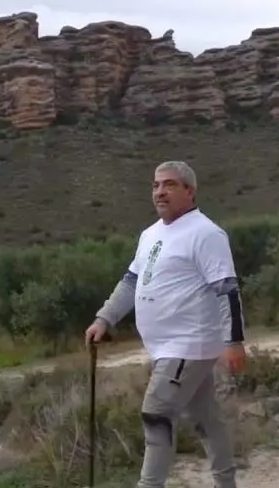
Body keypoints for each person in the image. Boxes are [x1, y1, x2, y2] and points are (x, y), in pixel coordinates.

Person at [84, 161, 246, 488]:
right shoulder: (150, 234)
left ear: (189, 191)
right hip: (166, 347)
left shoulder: (206, 233)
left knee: (156, 413)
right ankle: (226, 483)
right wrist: (105, 317)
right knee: (206, 419)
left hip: (189, 344)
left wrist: (234, 341)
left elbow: (226, 289)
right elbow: (131, 281)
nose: (160, 191)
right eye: (156, 185)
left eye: (169, 184)